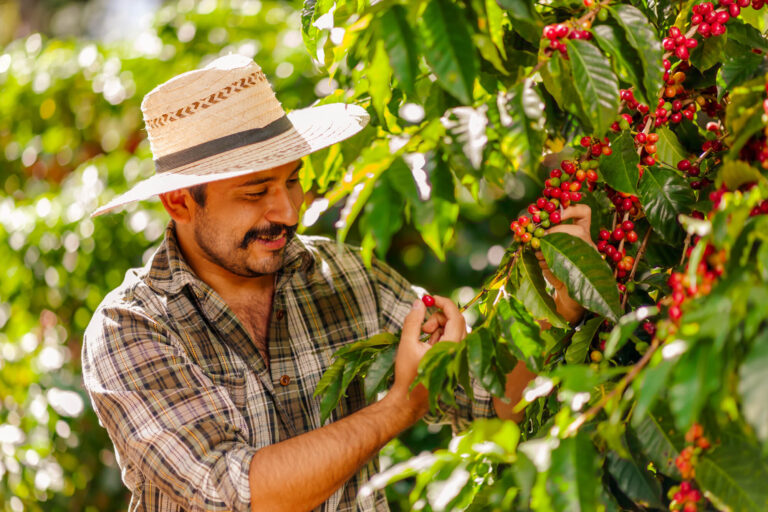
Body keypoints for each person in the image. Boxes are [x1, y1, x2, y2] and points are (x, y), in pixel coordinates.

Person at [82, 54, 591, 512]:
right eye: (255, 192)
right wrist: (400, 406)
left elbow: (494, 401)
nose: (286, 210)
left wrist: (556, 308)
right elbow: (239, 495)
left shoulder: (347, 277)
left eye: (293, 180)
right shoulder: (132, 326)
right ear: (179, 202)